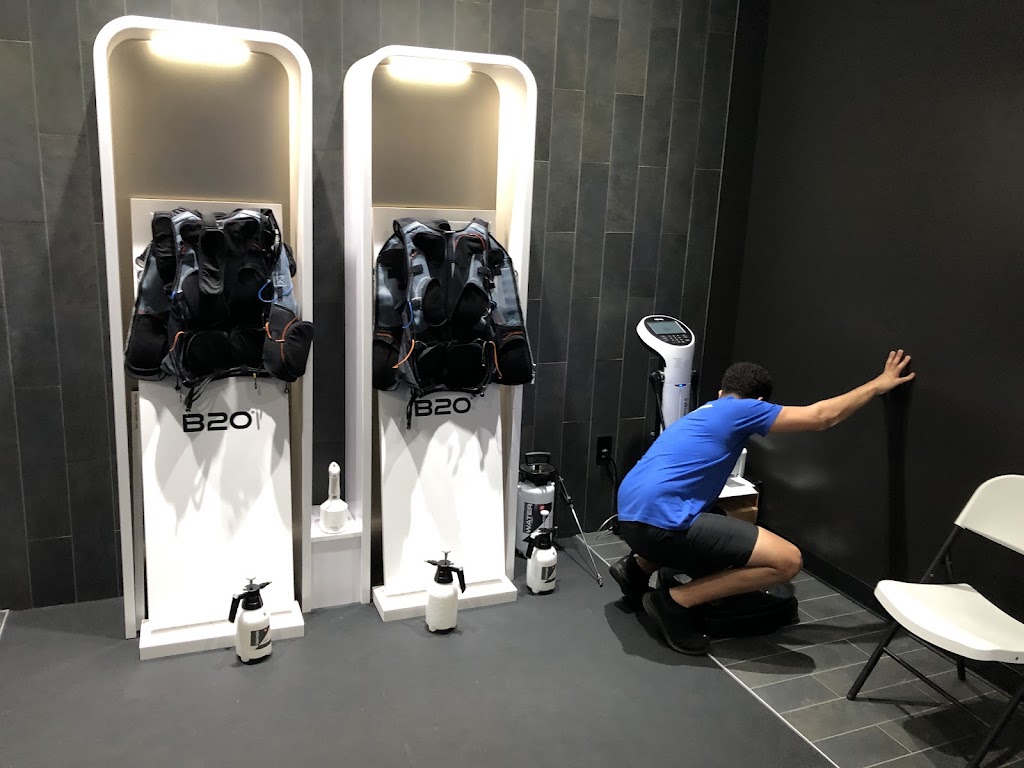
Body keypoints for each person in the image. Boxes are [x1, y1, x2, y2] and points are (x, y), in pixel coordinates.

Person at [610, 350, 915, 655]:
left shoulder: (706, 411)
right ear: (759, 403)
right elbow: (822, 417)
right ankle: (675, 603)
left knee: (715, 513)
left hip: (632, 518)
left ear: (721, 392)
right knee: (788, 561)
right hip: (658, 527)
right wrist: (877, 385)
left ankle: (636, 568)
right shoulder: (744, 409)